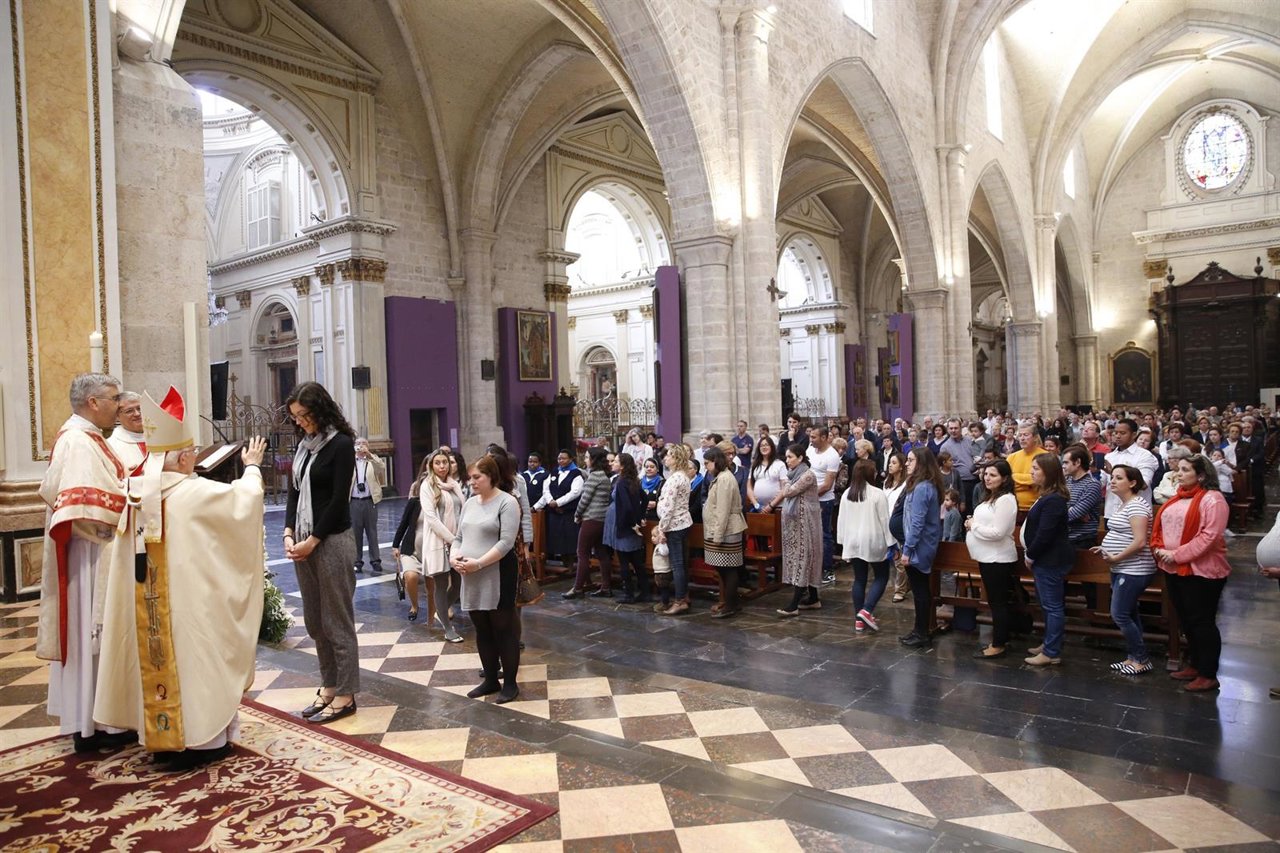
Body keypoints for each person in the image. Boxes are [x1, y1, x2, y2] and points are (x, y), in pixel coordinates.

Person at [96, 388, 266, 769]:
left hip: (149, 612)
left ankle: (161, 739)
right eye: (192, 452)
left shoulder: (137, 497)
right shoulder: (195, 493)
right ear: (186, 457)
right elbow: (245, 502)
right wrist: (253, 467)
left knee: (157, 659)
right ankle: (202, 743)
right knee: (194, 659)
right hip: (191, 607)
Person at [36, 372, 133, 754]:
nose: (118, 405)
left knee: (94, 638)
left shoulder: (87, 437)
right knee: (90, 636)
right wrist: (134, 503)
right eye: (114, 398)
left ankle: (98, 721)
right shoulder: (78, 441)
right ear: (93, 402)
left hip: (95, 552)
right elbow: (82, 508)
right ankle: (92, 725)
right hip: (90, 555)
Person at [283, 381, 359, 724]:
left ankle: (346, 694)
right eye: (295, 417)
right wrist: (288, 532)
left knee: (336, 621)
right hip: (303, 540)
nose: (299, 421)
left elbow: (338, 499)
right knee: (315, 620)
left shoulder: (340, 444)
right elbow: (294, 492)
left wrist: (313, 540)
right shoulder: (304, 446)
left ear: (319, 410)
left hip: (331, 541)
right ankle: (329, 685)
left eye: (303, 415)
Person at [1151, 455, 1230, 693]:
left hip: (1202, 571)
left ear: (1202, 475)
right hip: (1174, 568)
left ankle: (1208, 673)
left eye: (1185, 470)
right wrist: (1160, 548)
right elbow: (1162, 526)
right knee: (1186, 619)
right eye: (1179, 469)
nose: (1179, 473)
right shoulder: (1179, 496)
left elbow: (1209, 537)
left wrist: (1176, 555)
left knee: (1201, 621)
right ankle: (1195, 664)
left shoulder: (1213, 499)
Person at [452, 455, 522, 703]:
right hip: (471, 573)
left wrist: (479, 563)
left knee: (503, 628)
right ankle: (490, 679)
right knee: (482, 628)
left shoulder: (507, 502)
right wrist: (453, 557)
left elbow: (506, 543)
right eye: (470, 478)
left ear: (491, 477)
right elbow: (458, 537)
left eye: (476, 477)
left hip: (497, 572)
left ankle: (510, 684)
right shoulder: (470, 503)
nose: (471, 482)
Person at [391, 449, 464, 640]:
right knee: (441, 584)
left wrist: (460, 538)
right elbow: (431, 518)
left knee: (458, 586)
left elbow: (462, 510)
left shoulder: (454, 484)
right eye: (437, 463)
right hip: (439, 541)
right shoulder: (427, 485)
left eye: (445, 462)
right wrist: (452, 539)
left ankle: (441, 610)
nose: (442, 466)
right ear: (431, 465)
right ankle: (448, 629)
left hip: (457, 541)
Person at [1093, 465, 1157, 675]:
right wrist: (1105, 548)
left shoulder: (1137, 506)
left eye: (1119, 478)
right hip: (1122, 567)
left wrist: (1116, 556)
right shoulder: (1124, 504)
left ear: (1132, 483)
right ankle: (1133, 657)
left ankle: (1142, 658)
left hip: (1135, 568)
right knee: (1129, 612)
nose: (1112, 481)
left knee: (1119, 614)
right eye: (1112, 477)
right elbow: (1124, 535)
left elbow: (1140, 541)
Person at [1022, 454, 1074, 666]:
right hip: (1044, 559)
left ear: (1049, 472)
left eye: (1036, 468)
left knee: (1052, 606)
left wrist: (1031, 554)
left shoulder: (1054, 500)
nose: (1031, 472)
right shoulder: (1047, 496)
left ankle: (1051, 652)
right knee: (1046, 604)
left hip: (1050, 559)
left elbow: (1045, 533)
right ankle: (1048, 643)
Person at [966, 461, 1019, 659]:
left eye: (993, 475)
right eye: (986, 474)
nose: (987, 478)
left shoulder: (1006, 499)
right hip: (987, 557)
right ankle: (1000, 639)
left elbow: (998, 532)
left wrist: (973, 526)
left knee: (998, 602)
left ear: (1004, 478)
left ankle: (998, 644)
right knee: (995, 601)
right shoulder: (991, 496)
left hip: (998, 558)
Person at [838, 459, 895, 633]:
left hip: (853, 540)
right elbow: (885, 520)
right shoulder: (877, 494)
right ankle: (866, 610)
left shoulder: (847, 493)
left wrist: (843, 542)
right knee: (881, 576)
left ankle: (859, 621)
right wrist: (892, 543)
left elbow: (841, 520)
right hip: (873, 539)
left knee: (859, 579)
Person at [896, 448, 944, 648]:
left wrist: (907, 549)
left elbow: (917, 523)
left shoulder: (923, 487)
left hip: (919, 546)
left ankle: (922, 632)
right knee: (919, 590)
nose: (907, 463)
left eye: (911, 460)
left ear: (922, 463)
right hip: (917, 544)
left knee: (920, 590)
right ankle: (918, 630)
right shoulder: (920, 485)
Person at [773, 445, 822, 616]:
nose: (787, 460)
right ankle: (814, 598)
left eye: (790, 457)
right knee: (802, 557)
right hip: (795, 525)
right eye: (786, 457)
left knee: (804, 557)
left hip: (805, 524)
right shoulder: (793, 474)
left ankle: (794, 605)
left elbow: (788, 492)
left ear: (800, 458)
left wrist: (785, 482)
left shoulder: (807, 475)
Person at [702, 446, 748, 618]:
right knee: (723, 568)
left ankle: (730, 606)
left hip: (727, 530)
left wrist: (718, 535)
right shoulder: (721, 477)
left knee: (728, 569)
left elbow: (723, 510)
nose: (705, 467)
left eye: (707, 463)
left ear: (715, 462)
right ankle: (731, 603)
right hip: (721, 529)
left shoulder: (724, 479)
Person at [563, 447, 613, 599]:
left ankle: (578, 588)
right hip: (602, 519)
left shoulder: (594, 476)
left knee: (582, 553)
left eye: (586, 457)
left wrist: (577, 514)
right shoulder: (604, 475)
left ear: (593, 460)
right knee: (601, 553)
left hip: (591, 518)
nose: (585, 460)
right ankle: (606, 587)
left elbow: (584, 499)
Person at [655, 443, 694, 615]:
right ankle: (684, 596)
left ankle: (679, 601)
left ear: (677, 458)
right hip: (682, 522)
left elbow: (668, 507)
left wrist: (662, 528)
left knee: (677, 564)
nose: (665, 458)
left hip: (675, 524)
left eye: (669, 455)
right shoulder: (683, 476)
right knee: (682, 563)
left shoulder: (675, 478)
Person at [606, 454, 649, 603]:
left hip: (625, 526)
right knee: (637, 561)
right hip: (631, 524)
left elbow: (627, 506)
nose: (612, 463)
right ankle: (645, 592)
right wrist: (640, 517)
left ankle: (629, 594)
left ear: (623, 466)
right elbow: (645, 499)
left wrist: (633, 523)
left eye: (616, 461)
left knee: (624, 562)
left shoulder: (622, 482)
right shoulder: (633, 480)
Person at [533, 449, 583, 564]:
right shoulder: (555, 472)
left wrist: (558, 502)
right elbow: (546, 489)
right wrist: (550, 501)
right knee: (557, 540)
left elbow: (575, 492)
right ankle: (563, 563)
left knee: (569, 540)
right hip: (554, 512)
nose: (561, 461)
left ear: (571, 459)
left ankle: (570, 564)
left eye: (564, 458)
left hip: (568, 513)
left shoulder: (576, 474)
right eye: (559, 458)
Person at [1103, 419, 1158, 522]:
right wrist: (1093, 472)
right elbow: (1101, 483)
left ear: (1134, 435)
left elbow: (1143, 485)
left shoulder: (1145, 456)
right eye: (1116, 433)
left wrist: (1112, 473)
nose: (1118, 436)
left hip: (1135, 513)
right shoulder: (1109, 456)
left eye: (1122, 433)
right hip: (1111, 512)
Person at [806, 426, 841, 585]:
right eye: (811, 436)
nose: (811, 440)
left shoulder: (832, 455)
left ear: (824, 437)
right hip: (808, 498)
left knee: (824, 535)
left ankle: (828, 569)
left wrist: (808, 494)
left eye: (814, 437)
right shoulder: (810, 450)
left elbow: (827, 485)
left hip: (823, 500)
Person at [349, 437, 386, 574]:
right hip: (354, 501)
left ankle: (375, 561)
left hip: (370, 501)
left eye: (363, 444)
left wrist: (369, 454)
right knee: (355, 533)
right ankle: (356, 562)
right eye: (358, 444)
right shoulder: (349, 461)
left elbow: (381, 468)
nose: (360, 446)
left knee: (372, 532)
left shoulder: (372, 461)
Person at [1063, 444, 1102, 549]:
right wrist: (1070, 509)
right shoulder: (1066, 481)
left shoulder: (1092, 484)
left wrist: (1071, 511)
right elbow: (1055, 506)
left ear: (1077, 462)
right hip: (1065, 537)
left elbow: (1074, 514)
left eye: (1066, 462)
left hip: (1082, 540)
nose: (1063, 466)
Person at [1007, 423, 1049, 511]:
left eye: (1026, 435)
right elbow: (1006, 482)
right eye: (1020, 435)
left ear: (1035, 437)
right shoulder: (1011, 457)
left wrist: (1015, 478)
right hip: (1013, 507)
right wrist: (1028, 485)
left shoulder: (1045, 456)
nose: (1022, 438)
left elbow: (1042, 481)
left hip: (1038, 508)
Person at [106, 391, 147, 476]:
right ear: (117, 416)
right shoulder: (110, 447)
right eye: (129, 411)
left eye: (140, 408)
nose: (137, 414)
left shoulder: (161, 437)